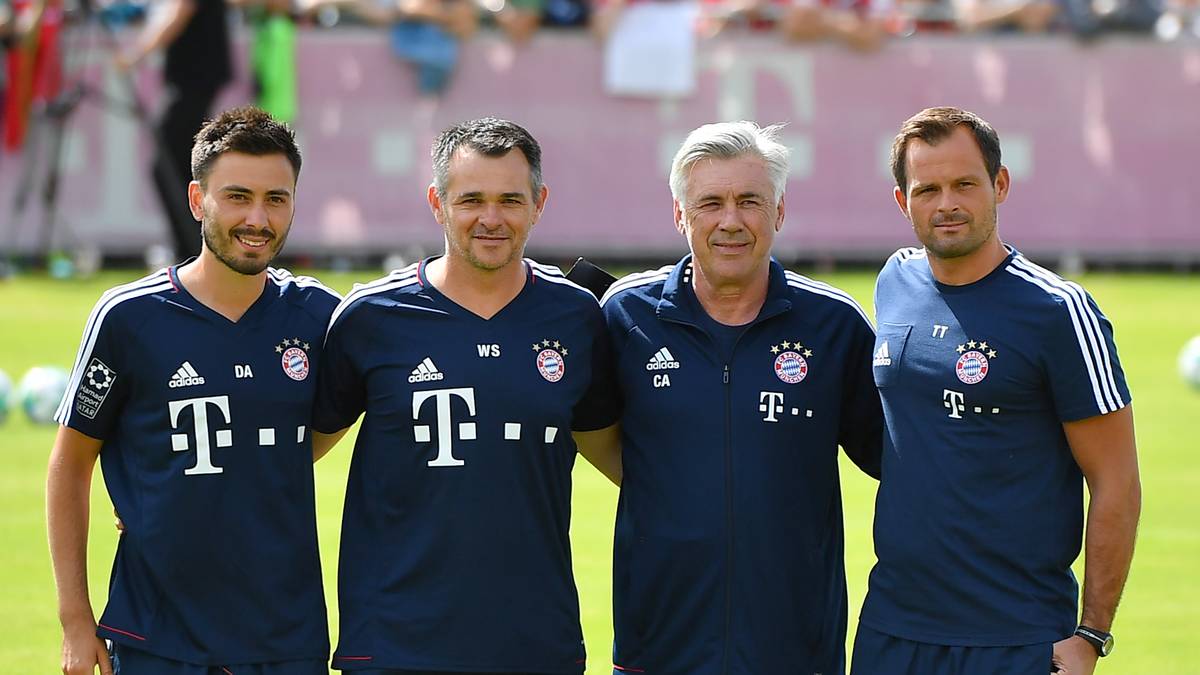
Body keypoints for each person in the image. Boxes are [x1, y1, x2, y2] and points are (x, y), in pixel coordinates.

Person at [311, 117, 620, 673]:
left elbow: (626, 462)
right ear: (437, 202)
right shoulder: (370, 317)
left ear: (539, 203)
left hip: (535, 641)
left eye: (510, 199)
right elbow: (291, 453)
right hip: (394, 644)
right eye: (471, 199)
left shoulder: (577, 317)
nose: (491, 218)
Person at [47, 106, 336, 675]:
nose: (258, 218)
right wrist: (75, 622)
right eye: (237, 197)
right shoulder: (129, 317)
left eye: (276, 199)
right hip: (158, 633)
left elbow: (339, 413)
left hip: (285, 634)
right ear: (196, 199)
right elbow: (71, 463)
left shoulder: (319, 317)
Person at [852, 107, 1140, 675]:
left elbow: (1117, 482)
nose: (946, 204)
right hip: (892, 628)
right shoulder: (895, 281)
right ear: (901, 201)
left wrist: (1091, 634)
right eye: (927, 189)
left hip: (1017, 637)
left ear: (999, 184)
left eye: (964, 184)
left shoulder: (1059, 310)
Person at [595, 121, 884, 674]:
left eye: (750, 201)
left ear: (778, 212)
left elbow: (903, 465)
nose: (731, 221)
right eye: (710, 203)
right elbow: (588, 433)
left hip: (796, 648)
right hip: (657, 647)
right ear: (680, 215)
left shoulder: (835, 325)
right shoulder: (623, 316)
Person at [116, 0, 233, 262]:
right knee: (181, 168)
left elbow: (179, 13)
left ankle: (191, 248)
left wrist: (136, 53)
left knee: (167, 168)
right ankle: (194, 247)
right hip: (197, 78)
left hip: (194, 78)